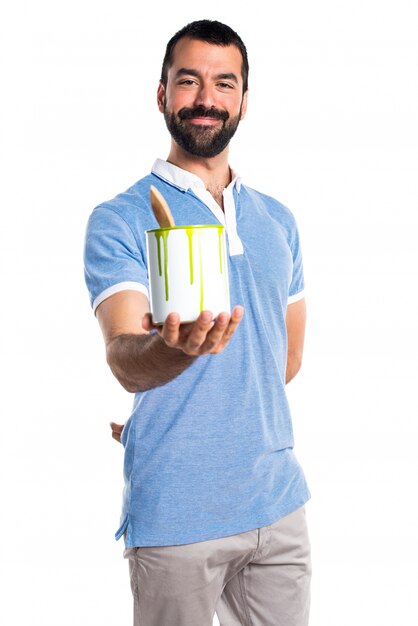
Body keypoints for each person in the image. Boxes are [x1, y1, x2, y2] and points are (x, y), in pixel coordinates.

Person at [84, 19, 311, 626]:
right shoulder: (122, 219)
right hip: (177, 515)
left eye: (224, 83)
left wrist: (192, 413)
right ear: (162, 94)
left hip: (279, 504)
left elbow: (283, 360)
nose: (206, 99)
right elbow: (126, 354)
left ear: (242, 99)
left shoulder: (278, 221)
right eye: (189, 81)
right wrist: (172, 359)